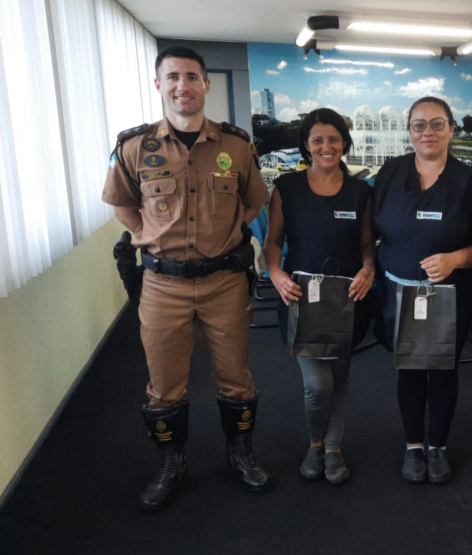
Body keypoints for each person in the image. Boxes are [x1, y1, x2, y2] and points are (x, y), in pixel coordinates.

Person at [102, 46, 272, 511]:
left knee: (236, 377)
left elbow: (253, 202)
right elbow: (120, 202)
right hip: (162, 285)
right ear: (159, 84)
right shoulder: (135, 146)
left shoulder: (236, 145)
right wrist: (145, 234)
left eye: (192, 76)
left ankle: (240, 454)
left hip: (224, 283)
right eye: (173, 76)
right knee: (164, 385)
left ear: (206, 85)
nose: (183, 85)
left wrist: (229, 234)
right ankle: (171, 464)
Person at [373, 96, 472, 485]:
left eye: (438, 124)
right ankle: (413, 447)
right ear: (409, 131)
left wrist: (457, 258)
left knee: (443, 371)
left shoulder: (470, 181)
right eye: (419, 125)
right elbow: (367, 232)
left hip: (449, 297)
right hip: (399, 294)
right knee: (408, 371)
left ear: (452, 129)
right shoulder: (390, 173)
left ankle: (438, 445)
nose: (428, 132)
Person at [264, 108, 374, 485]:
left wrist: (369, 269)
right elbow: (273, 242)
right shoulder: (287, 188)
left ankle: (332, 447)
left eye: (333, 139)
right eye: (317, 140)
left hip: (347, 300)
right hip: (300, 301)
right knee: (318, 384)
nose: (326, 146)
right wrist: (275, 273)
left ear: (344, 143)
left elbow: (366, 246)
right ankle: (314, 443)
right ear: (306, 145)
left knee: (340, 378)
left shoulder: (361, 191)